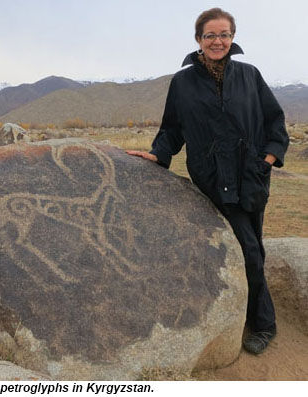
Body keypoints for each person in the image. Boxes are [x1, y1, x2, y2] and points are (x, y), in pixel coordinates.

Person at [127, 7, 289, 355]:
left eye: (225, 34)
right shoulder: (182, 82)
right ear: (198, 39)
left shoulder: (249, 75)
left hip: (252, 177)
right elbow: (172, 128)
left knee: (252, 247)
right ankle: (263, 323)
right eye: (210, 35)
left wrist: (269, 158)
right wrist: (159, 155)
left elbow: (275, 120)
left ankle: (258, 319)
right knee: (247, 248)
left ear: (233, 37)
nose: (218, 41)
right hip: (213, 179)